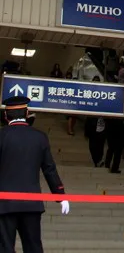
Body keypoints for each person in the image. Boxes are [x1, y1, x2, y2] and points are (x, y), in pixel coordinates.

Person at [0, 96, 70, 253]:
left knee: (4, 248)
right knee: (33, 248)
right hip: (31, 204)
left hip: (4, 204)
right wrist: (60, 195)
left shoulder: (2, 136)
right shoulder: (39, 137)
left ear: (6, 116)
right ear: (27, 113)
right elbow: (49, 169)